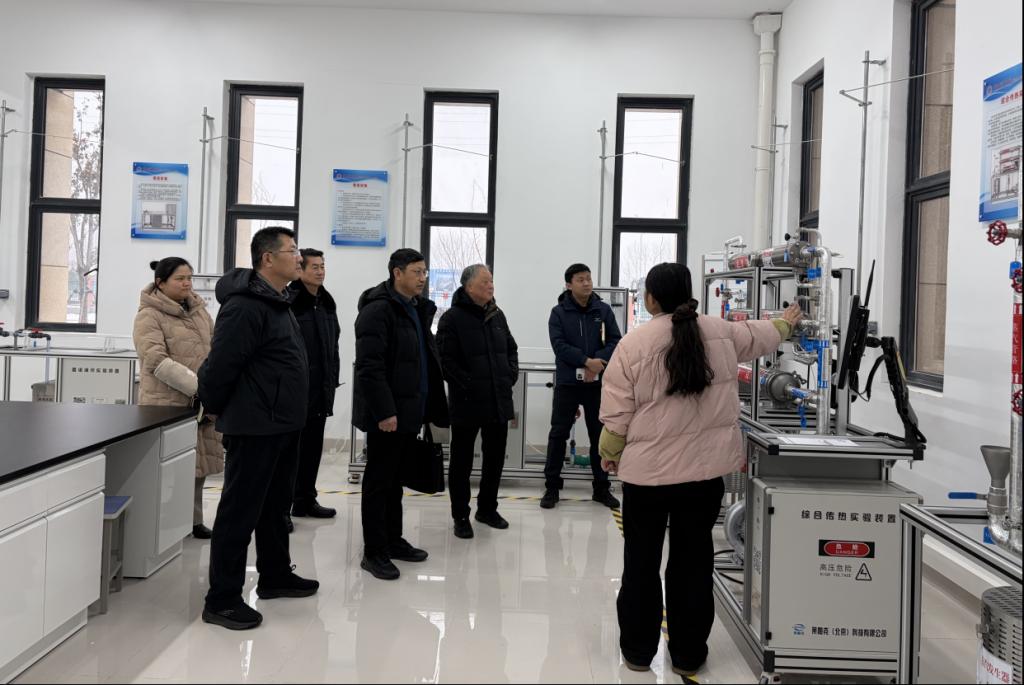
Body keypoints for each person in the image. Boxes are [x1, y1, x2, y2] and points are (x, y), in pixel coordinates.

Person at [598, 262, 801, 676]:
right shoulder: (721, 332)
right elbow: (760, 335)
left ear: (650, 299)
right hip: (704, 477)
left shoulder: (634, 344)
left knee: (641, 563)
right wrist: (785, 323)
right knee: (692, 563)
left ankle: (637, 652)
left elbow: (617, 415)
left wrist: (609, 452)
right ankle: (688, 654)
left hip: (647, 479)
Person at [198, 226, 318, 630]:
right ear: (268, 258)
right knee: (239, 512)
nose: (299, 258)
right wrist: (214, 407)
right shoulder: (245, 306)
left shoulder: (279, 301)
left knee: (274, 508)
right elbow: (221, 365)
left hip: (282, 423)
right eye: (292, 251)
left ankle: (275, 575)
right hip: (255, 425)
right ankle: (222, 599)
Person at [353, 248, 449, 580]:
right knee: (379, 482)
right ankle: (374, 551)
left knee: (396, 481)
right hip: (388, 415)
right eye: (416, 272)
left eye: (425, 272)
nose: (423, 278)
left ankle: (393, 540)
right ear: (397, 273)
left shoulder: (415, 308)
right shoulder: (378, 310)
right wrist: (385, 411)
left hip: (410, 411)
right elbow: (370, 367)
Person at [132, 257, 222, 540]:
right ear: (161, 283)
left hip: (201, 402)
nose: (187, 284)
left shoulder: (199, 311)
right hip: (168, 402)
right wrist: (200, 387)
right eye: (180, 279)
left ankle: (193, 520)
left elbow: (216, 347)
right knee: (170, 467)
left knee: (198, 464)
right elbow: (155, 360)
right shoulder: (149, 315)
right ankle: (164, 524)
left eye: (189, 278)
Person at [436, 264, 519, 539]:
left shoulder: (497, 314)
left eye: (491, 280)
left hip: (498, 400)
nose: (491, 285)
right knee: (461, 462)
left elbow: (511, 349)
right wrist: (470, 385)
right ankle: (460, 515)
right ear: (469, 286)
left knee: (494, 459)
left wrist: (509, 375)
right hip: (467, 402)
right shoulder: (451, 319)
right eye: (485, 281)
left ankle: (487, 509)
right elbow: (445, 362)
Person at [540, 263, 622, 509]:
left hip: (596, 384)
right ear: (568, 285)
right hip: (568, 382)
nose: (586, 283)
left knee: (599, 434)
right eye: (580, 279)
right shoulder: (558, 313)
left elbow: (616, 340)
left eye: (588, 278)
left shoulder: (603, 310)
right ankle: (552, 487)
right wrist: (586, 361)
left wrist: (597, 363)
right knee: (558, 434)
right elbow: (559, 345)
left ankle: (601, 487)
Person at [287, 248, 341, 525]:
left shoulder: (326, 302)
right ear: (300, 270)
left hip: (320, 389)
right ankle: (282, 508)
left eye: (322, 266)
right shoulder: (290, 301)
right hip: (295, 391)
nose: (320, 271)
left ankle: (305, 500)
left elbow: (333, 346)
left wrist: (332, 380)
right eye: (314, 267)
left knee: (312, 449)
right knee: (290, 453)